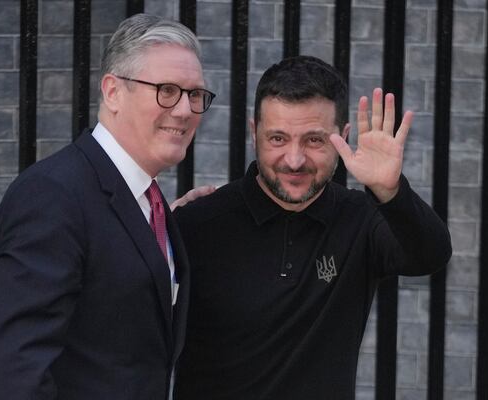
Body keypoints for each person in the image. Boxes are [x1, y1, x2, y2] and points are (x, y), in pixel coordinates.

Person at [172, 56, 452, 399]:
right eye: (277, 138)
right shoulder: (197, 224)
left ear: (343, 137)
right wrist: (156, 232)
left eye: (314, 141)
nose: (294, 160)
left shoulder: (361, 220)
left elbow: (431, 254)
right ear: (253, 133)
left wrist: (390, 192)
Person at [0, 13, 215, 400]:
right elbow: (16, 374)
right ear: (113, 92)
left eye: (195, 94)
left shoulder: (149, 205)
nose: (185, 109)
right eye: (167, 90)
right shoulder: (53, 196)